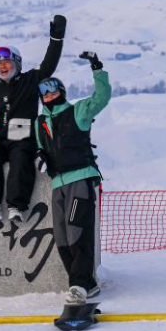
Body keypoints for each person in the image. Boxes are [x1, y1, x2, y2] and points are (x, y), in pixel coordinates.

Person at [35, 51, 111, 304]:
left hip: (81, 177)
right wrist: (40, 156)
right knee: (62, 235)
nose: (48, 95)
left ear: (62, 92)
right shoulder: (41, 122)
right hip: (58, 183)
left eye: (52, 90)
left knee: (78, 230)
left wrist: (97, 68)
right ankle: (83, 284)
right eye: (44, 93)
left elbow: (102, 97)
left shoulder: (78, 111)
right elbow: (40, 146)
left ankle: (79, 284)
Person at [0, 15, 66, 223]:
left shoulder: (30, 80)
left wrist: (56, 39)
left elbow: (48, 65)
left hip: (22, 136)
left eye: (6, 62)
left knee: (21, 160)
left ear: (16, 63)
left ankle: (16, 206)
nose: (2, 66)